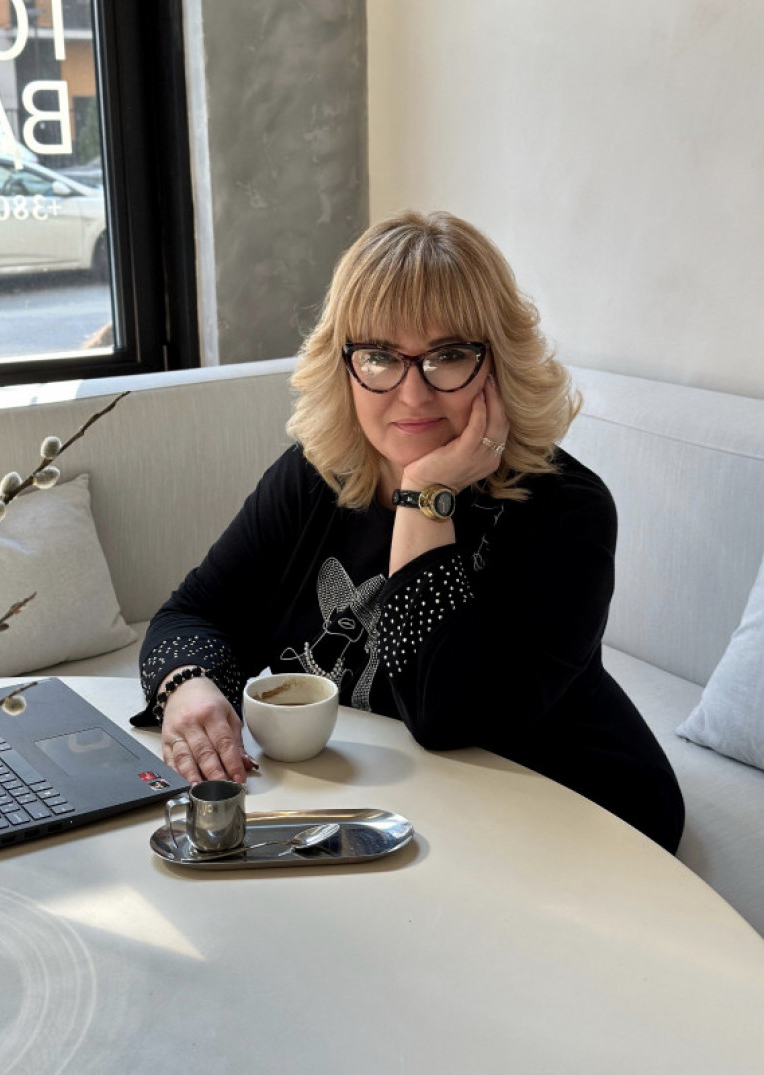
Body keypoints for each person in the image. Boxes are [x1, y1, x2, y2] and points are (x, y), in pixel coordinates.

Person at [132, 210, 685, 853]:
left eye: (448, 356)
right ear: (345, 365)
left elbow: (445, 718)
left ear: (498, 362)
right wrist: (189, 686)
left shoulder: (566, 510)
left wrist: (425, 501)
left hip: (569, 809)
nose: (413, 395)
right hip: (392, 811)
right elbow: (194, 612)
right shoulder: (315, 477)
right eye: (379, 356)